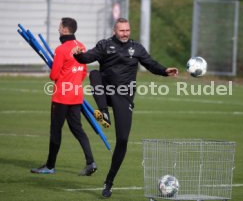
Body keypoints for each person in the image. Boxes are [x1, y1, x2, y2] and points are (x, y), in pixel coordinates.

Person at [72, 17, 178, 198]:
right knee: (95, 74)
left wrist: (164, 71)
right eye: (122, 30)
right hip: (105, 91)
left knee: (122, 140)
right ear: (115, 31)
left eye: (127, 30)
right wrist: (78, 55)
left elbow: (150, 63)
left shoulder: (136, 48)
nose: (125, 33)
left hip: (124, 97)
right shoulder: (104, 45)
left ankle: (109, 182)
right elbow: (87, 57)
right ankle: (103, 113)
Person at [31, 17, 97, 176]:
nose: (58, 29)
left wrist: (60, 73)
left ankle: (50, 166)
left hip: (61, 96)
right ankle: (90, 162)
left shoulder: (60, 50)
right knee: (77, 129)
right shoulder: (81, 46)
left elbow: (53, 75)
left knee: (55, 131)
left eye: (60, 27)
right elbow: (82, 73)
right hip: (76, 94)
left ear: (65, 29)